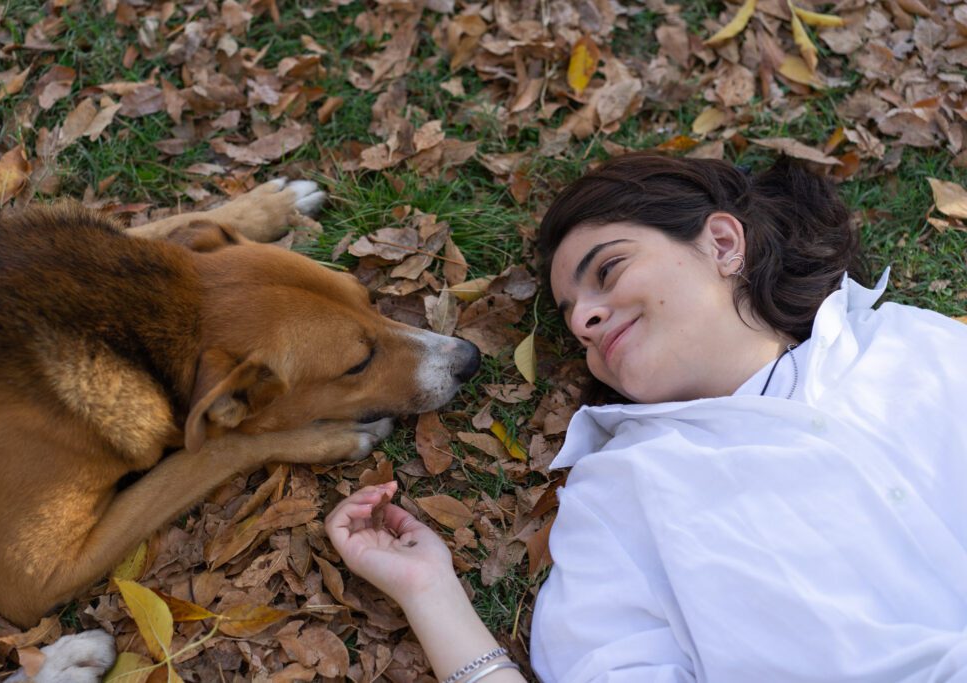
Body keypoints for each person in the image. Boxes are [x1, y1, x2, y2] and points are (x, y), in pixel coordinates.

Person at [326, 152, 967, 683]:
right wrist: (428, 591)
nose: (582, 320)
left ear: (722, 243)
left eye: (608, 269)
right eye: (573, 318)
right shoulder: (622, 494)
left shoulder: (915, 345)